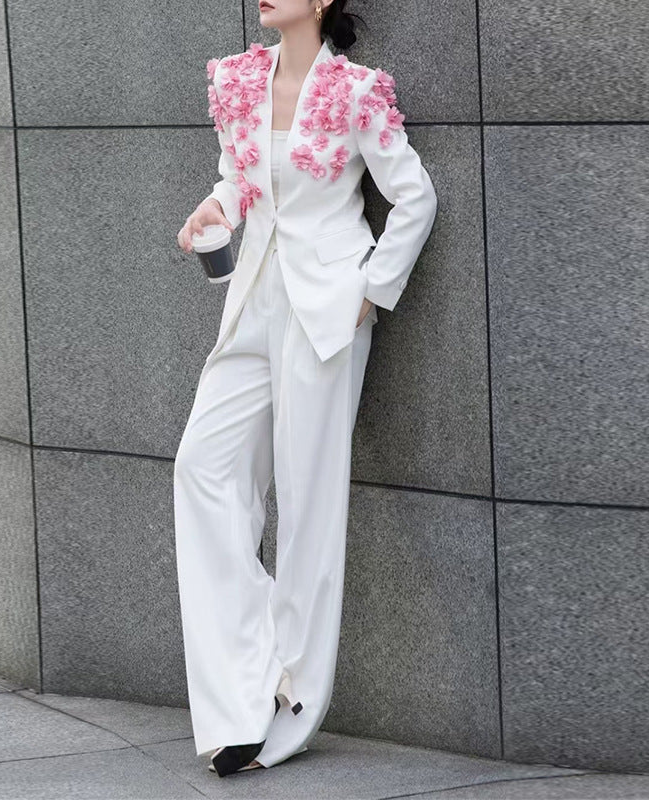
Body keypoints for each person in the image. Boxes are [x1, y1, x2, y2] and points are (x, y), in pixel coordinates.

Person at [174, 0, 438, 777]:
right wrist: (216, 207)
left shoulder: (356, 91)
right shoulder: (237, 80)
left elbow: (415, 196)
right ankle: (243, 684)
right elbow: (239, 178)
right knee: (201, 468)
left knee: (307, 506)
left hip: (326, 311)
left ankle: (287, 710)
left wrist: (372, 291)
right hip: (252, 300)